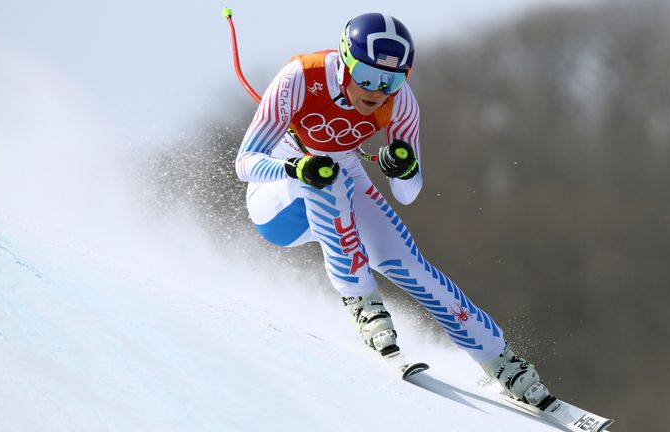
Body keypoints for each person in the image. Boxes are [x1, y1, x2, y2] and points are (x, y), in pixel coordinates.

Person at [235, 12, 553, 408]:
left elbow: (408, 193)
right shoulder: (300, 77)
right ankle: (365, 307)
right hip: (277, 200)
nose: (378, 91)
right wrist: (295, 166)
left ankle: (501, 361)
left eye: (393, 79)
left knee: (411, 265)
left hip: (342, 176)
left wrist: (405, 168)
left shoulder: (400, 103)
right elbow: (245, 162)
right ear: (346, 63)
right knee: (327, 175)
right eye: (367, 76)